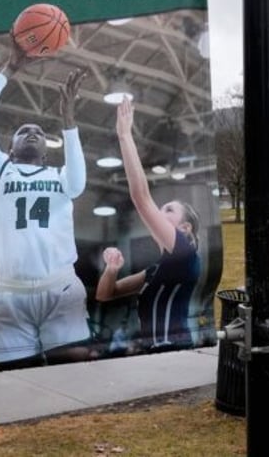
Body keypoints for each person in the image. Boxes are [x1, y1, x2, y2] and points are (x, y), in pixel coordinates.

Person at [0, 41, 92, 370]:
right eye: (24, 131)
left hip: (61, 286)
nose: (33, 133)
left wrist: (69, 123)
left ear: (47, 151)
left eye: (39, 132)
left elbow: (79, 184)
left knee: (73, 375)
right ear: (9, 149)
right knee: (15, 386)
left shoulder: (61, 176)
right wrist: (8, 70)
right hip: (11, 293)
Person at [96, 97, 201, 352]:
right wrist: (111, 269)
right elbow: (105, 294)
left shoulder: (185, 254)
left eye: (168, 209)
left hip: (175, 352)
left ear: (185, 228)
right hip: (152, 355)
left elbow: (141, 197)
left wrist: (124, 135)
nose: (160, 211)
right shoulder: (155, 269)